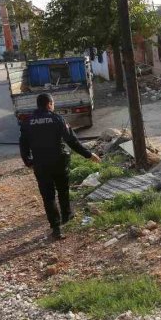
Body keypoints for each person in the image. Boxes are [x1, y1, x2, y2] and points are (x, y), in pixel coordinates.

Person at [19, 93, 100, 240]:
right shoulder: (57, 119)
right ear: (49, 104)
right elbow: (72, 141)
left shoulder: (28, 122)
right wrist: (89, 155)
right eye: (53, 103)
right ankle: (66, 216)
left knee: (48, 196)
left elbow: (23, 144)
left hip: (41, 165)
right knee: (63, 191)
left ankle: (56, 228)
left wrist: (28, 162)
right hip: (59, 163)